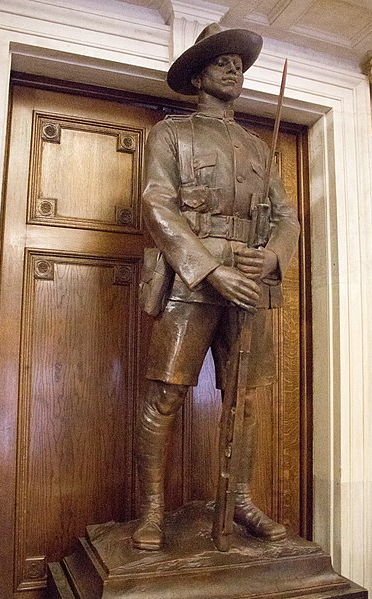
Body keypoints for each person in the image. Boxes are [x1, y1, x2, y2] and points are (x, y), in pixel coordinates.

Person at [132, 22, 300, 551]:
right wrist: (209, 268)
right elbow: (157, 204)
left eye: (240, 64)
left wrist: (272, 255)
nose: (235, 70)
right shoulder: (170, 133)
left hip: (250, 283)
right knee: (165, 395)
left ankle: (241, 501)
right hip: (192, 280)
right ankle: (152, 511)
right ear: (199, 73)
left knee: (244, 400)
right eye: (223, 61)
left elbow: (287, 216)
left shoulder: (258, 146)